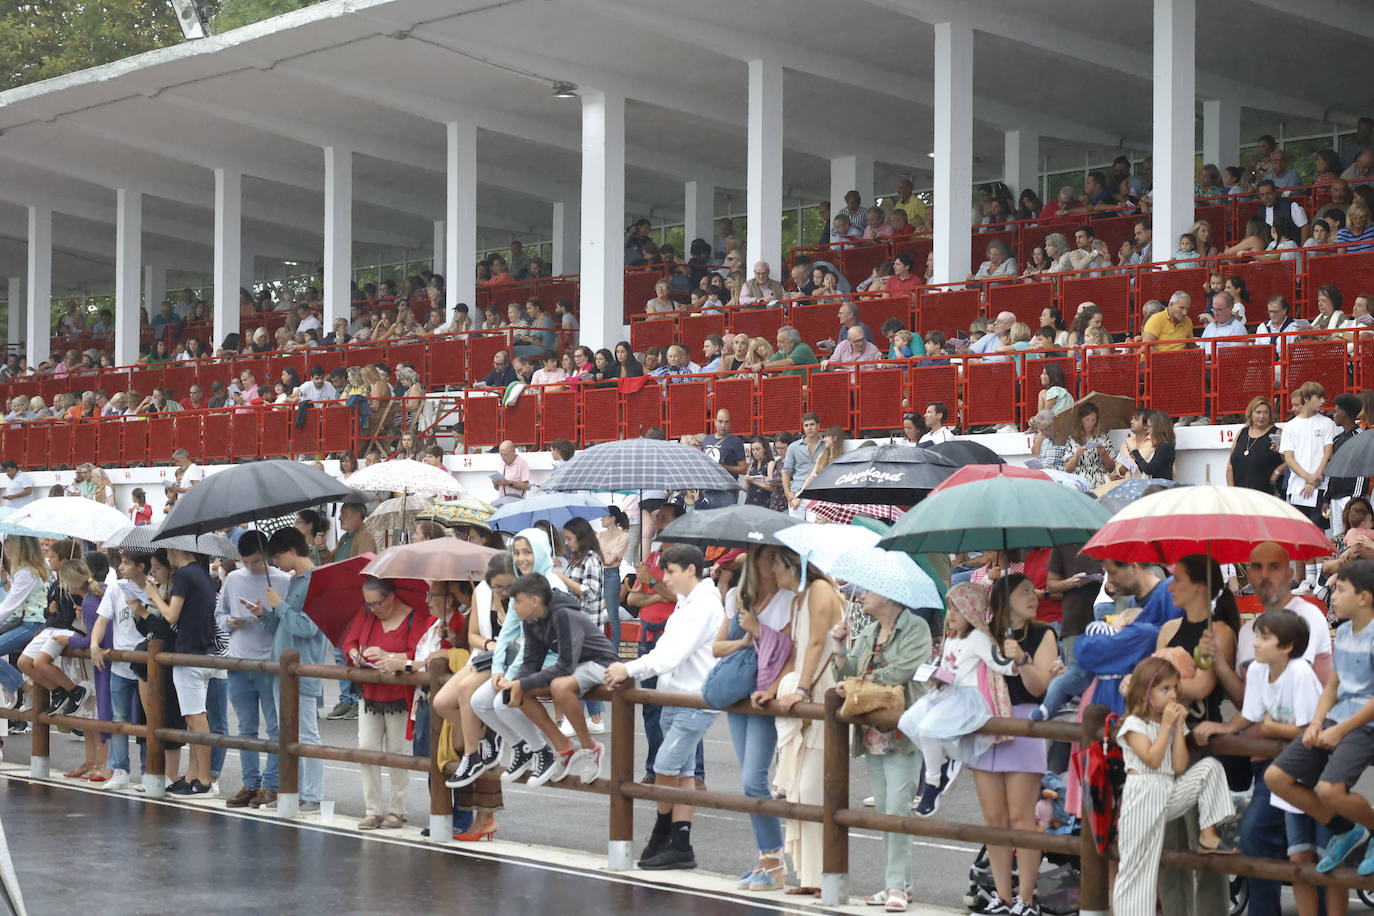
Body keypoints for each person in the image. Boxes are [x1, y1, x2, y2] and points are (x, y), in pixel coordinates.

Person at [1194, 609, 1329, 916]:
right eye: (1256, 635)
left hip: (1309, 772)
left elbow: (1310, 730)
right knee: (1298, 853)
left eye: (1264, 638)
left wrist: (1274, 729)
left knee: (1314, 852)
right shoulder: (1256, 670)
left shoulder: (1301, 674)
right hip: (1282, 768)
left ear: (1287, 647)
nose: (1255, 643)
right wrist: (1227, 728)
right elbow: (1252, 712)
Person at [605, 545, 724, 870]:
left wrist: (627, 668)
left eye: (670, 572)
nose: (665, 578)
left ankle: (662, 833)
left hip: (693, 698)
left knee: (666, 766)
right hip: (675, 695)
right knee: (682, 772)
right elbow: (668, 651)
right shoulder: (688, 602)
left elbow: (672, 654)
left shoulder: (703, 605)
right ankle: (681, 844)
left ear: (689, 570)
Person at [831, 569, 934, 913]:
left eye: (868, 590)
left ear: (889, 594)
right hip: (872, 731)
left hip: (903, 731)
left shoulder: (916, 628)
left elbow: (902, 671)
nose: (860, 595)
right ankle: (899, 882)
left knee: (897, 810)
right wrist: (840, 647)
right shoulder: (870, 629)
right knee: (885, 810)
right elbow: (845, 672)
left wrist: (859, 682)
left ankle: (895, 886)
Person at [1265, 559, 1374, 877]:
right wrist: (1316, 723)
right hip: (1337, 720)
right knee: (1277, 778)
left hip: (1364, 725)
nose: (1332, 595)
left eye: (1340, 589)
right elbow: (1333, 687)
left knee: (1329, 790)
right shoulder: (1345, 633)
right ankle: (1346, 829)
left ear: (1364, 597)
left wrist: (1339, 729)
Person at [1112, 657, 1238, 916]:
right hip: (1142, 798)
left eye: (1174, 689)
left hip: (1167, 791)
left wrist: (1178, 727)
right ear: (1146, 693)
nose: (1172, 696)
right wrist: (1168, 726)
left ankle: (1208, 834)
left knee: (1210, 768)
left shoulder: (1167, 725)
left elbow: (1180, 766)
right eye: (1164, 689)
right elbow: (1152, 759)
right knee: (1138, 873)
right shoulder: (1133, 724)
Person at [968, 573, 1058, 916]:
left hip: (1023, 720)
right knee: (994, 818)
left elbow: (1039, 689)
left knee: (1023, 818)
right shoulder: (983, 634)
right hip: (986, 721)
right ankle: (1002, 897)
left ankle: (1027, 898)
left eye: (1033, 591)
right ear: (1004, 600)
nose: (1033, 596)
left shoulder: (1043, 633)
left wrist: (1021, 659)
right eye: (1023, 592)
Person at [712, 546, 795, 891]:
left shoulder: (789, 599)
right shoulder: (736, 597)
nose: (774, 564)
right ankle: (766, 860)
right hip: (737, 695)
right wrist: (746, 640)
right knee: (750, 783)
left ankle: (774, 864)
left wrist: (758, 631)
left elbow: (790, 650)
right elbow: (717, 647)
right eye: (767, 557)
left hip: (763, 696)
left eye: (778, 558)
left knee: (754, 778)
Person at [900, 582, 1016, 816]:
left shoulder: (979, 639)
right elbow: (946, 669)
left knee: (927, 731)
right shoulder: (951, 640)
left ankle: (933, 782)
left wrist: (1018, 659)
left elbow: (1000, 665)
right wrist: (936, 677)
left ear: (972, 612)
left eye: (957, 609)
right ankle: (943, 762)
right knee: (907, 723)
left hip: (967, 697)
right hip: (947, 693)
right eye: (949, 608)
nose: (950, 615)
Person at [769, 547, 844, 896]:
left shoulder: (820, 591)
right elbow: (793, 649)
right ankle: (810, 876)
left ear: (790, 564)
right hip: (803, 688)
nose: (771, 573)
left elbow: (816, 643)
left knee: (814, 787)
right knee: (801, 788)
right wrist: (772, 688)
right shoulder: (799, 598)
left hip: (818, 689)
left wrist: (799, 688)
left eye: (775, 566)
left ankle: (826, 874)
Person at [499, 573, 618, 787]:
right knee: (521, 692)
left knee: (558, 686)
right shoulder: (532, 621)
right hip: (576, 666)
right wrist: (516, 685)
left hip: (601, 663)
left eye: (517, 601)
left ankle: (590, 747)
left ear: (535, 601)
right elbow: (530, 662)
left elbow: (565, 665)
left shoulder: (563, 614)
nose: (513, 607)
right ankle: (564, 747)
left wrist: (521, 682)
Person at [432, 554, 513, 840]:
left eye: (502, 584)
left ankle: (483, 815)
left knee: (470, 733)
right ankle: (478, 745)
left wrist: (500, 648)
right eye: (493, 583)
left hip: (507, 665)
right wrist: (490, 643)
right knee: (442, 703)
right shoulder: (481, 592)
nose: (497, 588)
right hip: (483, 659)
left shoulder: (519, 594)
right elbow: (474, 637)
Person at [343, 576, 434, 830]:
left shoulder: (413, 617)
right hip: (370, 692)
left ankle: (397, 809)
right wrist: (354, 654)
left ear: (391, 597)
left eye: (377, 603)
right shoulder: (366, 615)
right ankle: (372, 809)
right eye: (369, 604)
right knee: (367, 749)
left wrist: (390, 656)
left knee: (398, 753)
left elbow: (418, 654)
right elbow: (349, 642)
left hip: (399, 695)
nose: (373, 609)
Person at [253, 527, 329, 813]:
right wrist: (264, 614)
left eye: (276, 557)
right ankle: (291, 792)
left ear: (291, 551)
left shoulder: (316, 582)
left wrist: (280, 606)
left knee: (306, 735)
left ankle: (312, 795)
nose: (275, 563)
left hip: (303, 670)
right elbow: (284, 626)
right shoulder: (297, 581)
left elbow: (308, 628)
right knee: (287, 735)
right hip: (282, 670)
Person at [216, 531, 289, 809]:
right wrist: (229, 622)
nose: (251, 567)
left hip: (270, 663)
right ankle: (251, 783)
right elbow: (219, 614)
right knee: (245, 728)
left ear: (267, 555)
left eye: (256, 561)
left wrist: (266, 613)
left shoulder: (283, 580)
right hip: (238, 661)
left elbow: (288, 621)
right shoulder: (233, 579)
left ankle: (271, 785)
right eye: (246, 562)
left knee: (274, 726)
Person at [553, 517, 607, 734]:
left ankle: (572, 718)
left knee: (576, 673)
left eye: (569, 538)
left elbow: (590, 593)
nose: (566, 543)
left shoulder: (592, 559)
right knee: (584, 671)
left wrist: (563, 580)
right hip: (576, 624)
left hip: (586, 627)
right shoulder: (577, 559)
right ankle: (595, 720)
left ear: (581, 537)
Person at [1281, 381, 1337, 531]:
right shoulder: (1290, 426)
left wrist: (1314, 480)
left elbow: (1328, 453)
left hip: (1320, 488)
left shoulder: (1327, 423)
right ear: (1306, 398)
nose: (1323, 401)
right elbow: (1289, 458)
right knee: (1298, 533)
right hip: (1296, 488)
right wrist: (1307, 477)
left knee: (1318, 532)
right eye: (1318, 397)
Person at [1227, 397, 1284, 495]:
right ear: (1251, 414)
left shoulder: (1277, 433)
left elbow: (1290, 461)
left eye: (1266, 412)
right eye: (1258, 412)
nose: (1262, 416)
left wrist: (1278, 471)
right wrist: (1232, 492)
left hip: (1266, 495)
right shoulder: (1242, 432)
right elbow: (1230, 465)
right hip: (1241, 495)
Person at [700, 409, 746, 509]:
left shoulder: (735, 441)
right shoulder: (707, 439)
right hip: (708, 489)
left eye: (726, 422)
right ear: (715, 422)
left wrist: (724, 467)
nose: (723, 425)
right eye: (720, 421)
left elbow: (743, 469)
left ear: (730, 423)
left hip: (727, 491)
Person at [1064, 403, 1114, 488]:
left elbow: (1111, 468)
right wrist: (1076, 455)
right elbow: (1068, 469)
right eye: (1087, 420)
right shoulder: (1072, 439)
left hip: (1099, 482)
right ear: (1081, 420)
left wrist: (1104, 453)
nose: (1090, 423)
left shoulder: (1103, 438)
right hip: (1079, 482)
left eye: (1093, 420)